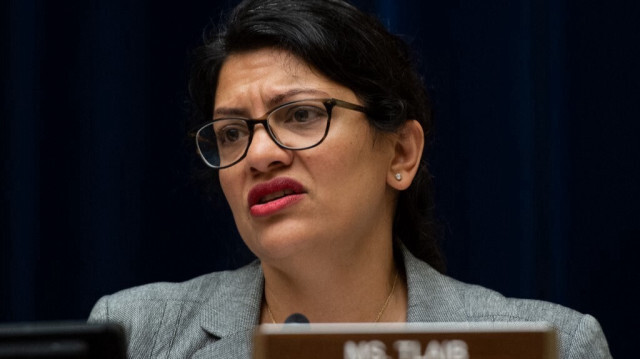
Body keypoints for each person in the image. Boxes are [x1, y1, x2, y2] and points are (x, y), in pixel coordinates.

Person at [88, 0, 612, 358]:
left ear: (400, 152)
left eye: (299, 115)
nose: (259, 154)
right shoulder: (137, 335)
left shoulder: (555, 346)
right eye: (231, 132)